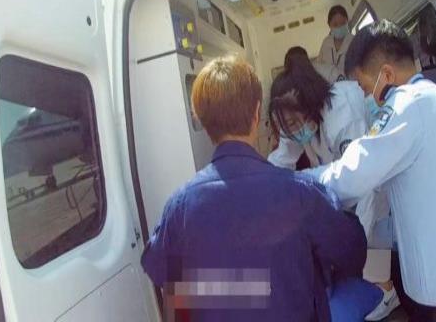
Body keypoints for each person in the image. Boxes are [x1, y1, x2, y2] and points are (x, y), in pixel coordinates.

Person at [141, 56, 381, 322]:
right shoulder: (302, 194)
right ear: (257, 114)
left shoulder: (179, 207)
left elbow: (160, 274)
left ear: (201, 120)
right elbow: (352, 250)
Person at [310, 20, 436, 321]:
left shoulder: (407, 106)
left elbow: (351, 176)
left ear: (386, 75)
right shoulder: (430, 95)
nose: (366, 99)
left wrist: (294, 182)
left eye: (364, 88)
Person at [267, 46, 399, 321]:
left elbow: (366, 185)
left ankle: (386, 291)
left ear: (308, 106)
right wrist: (257, 186)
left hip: (376, 184)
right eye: (285, 126)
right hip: (347, 189)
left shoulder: (342, 113)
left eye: (292, 123)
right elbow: (281, 160)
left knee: (373, 234)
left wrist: (354, 245)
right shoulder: (299, 120)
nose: (291, 132)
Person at [315, 5, 354, 81]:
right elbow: (319, 65)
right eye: (335, 24)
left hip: (351, 83)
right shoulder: (326, 42)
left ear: (347, 21)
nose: (339, 27)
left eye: (343, 23)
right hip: (330, 84)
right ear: (329, 25)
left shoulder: (354, 41)